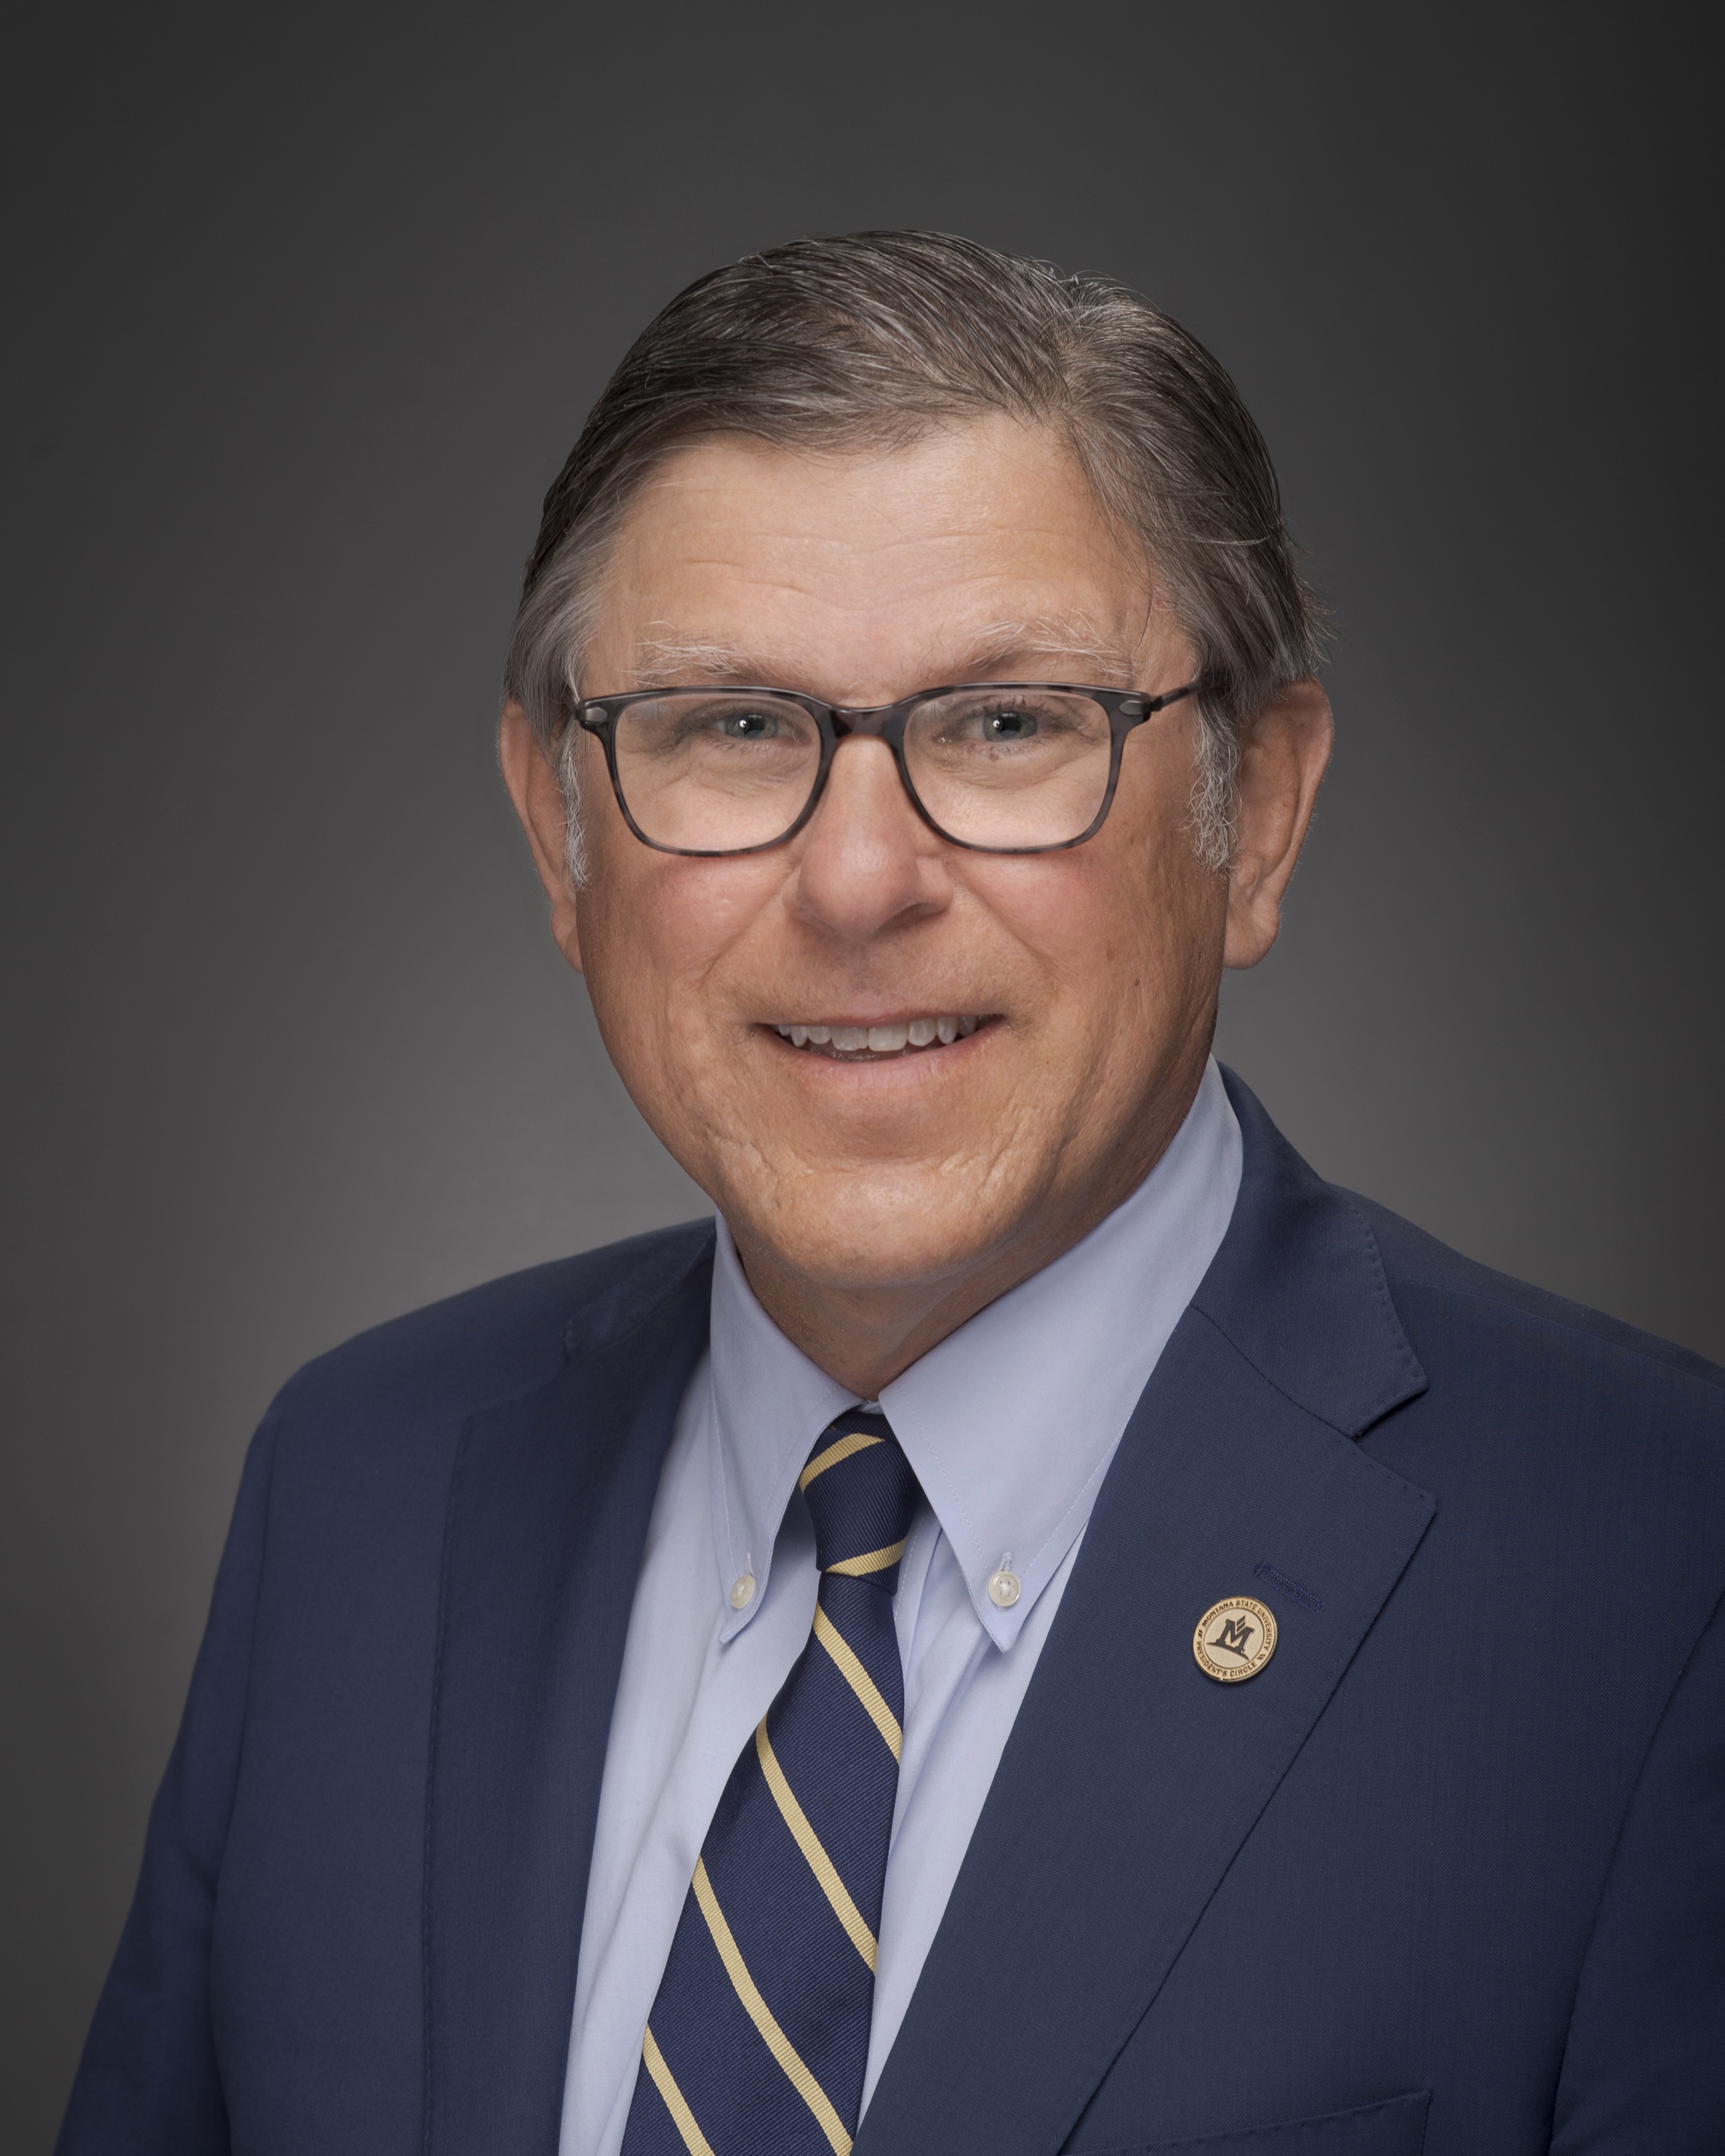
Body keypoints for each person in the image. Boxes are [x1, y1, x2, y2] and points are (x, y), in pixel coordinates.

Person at [58, 231, 1724, 2156]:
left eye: (1010, 724)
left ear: (1253, 816)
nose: (859, 883)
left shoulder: (1655, 1585)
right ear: (560, 827)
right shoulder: (358, 1488)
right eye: (736, 725)